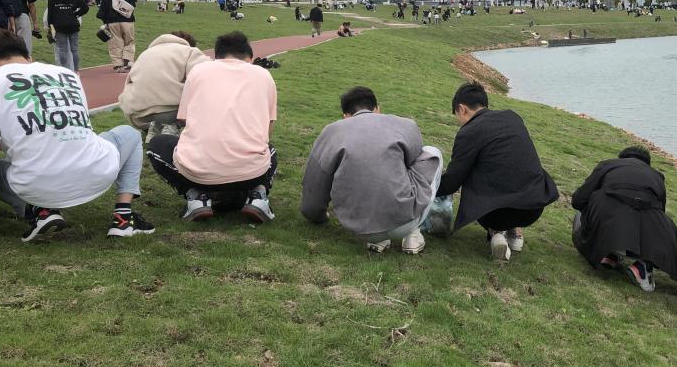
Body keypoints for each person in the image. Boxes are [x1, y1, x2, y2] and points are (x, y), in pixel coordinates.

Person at [0, 28, 154, 241]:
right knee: (129, 134)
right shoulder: (66, 74)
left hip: (36, 183)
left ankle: (40, 212)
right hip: (96, 172)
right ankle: (123, 218)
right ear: (27, 56)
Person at [147, 32, 277, 224]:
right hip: (251, 174)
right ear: (249, 57)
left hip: (197, 174)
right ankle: (258, 195)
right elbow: (268, 128)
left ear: (217, 56)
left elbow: (184, 119)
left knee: (157, 144)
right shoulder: (264, 75)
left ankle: (195, 196)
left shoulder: (198, 71)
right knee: (270, 150)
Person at [300, 86, 443, 254]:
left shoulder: (331, 131)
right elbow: (412, 165)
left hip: (357, 228)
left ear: (346, 116)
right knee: (433, 152)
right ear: (378, 109)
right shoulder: (406, 125)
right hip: (403, 222)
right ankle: (413, 234)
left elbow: (315, 184)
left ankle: (379, 239)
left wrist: (317, 216)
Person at [436, 82, 558, 261]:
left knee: (471, 172)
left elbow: (453, 181)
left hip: (499, 213)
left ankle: (496, 231)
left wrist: (426, 188)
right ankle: (516, 233)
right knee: (513, 167)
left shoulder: (469, 132)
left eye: (457, 116)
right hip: (534, 206)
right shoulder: (512, 117)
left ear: (462, 109)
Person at [571, 146, 677, 293]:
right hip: (650, 245)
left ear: (621, 158)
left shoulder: (608, 165)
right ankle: (641, 266)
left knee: (587, 208)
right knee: (647, 215)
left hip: (607, 229)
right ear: (647, 164)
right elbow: (661, 210)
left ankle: (607, 254)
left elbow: (578, 200)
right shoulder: (657, 176)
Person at [118, 31, 208, 140]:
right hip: (171, 110)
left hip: (138, 113)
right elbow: (205, 76)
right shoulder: (189, 52)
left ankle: (154, 126)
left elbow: (128, 84)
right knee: (202, 91)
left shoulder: (145, 54)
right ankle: (174, 125)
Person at [46, 0, 89, 71]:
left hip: (59, 26)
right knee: (75, 49)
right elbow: (85, 7)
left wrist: (50, 27)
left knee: (62, 49)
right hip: (73, 24)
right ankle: (76, 70)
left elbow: (50, 13)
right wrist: (76, 14)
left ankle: (65, 70)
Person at [97, 0, 137, 72]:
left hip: (112, 21)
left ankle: (118, 65)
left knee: (115, 43)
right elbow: (132, 4)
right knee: (129, 41)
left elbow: (103, 8)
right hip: (127, 21)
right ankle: (128, 61)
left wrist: (105, 20)